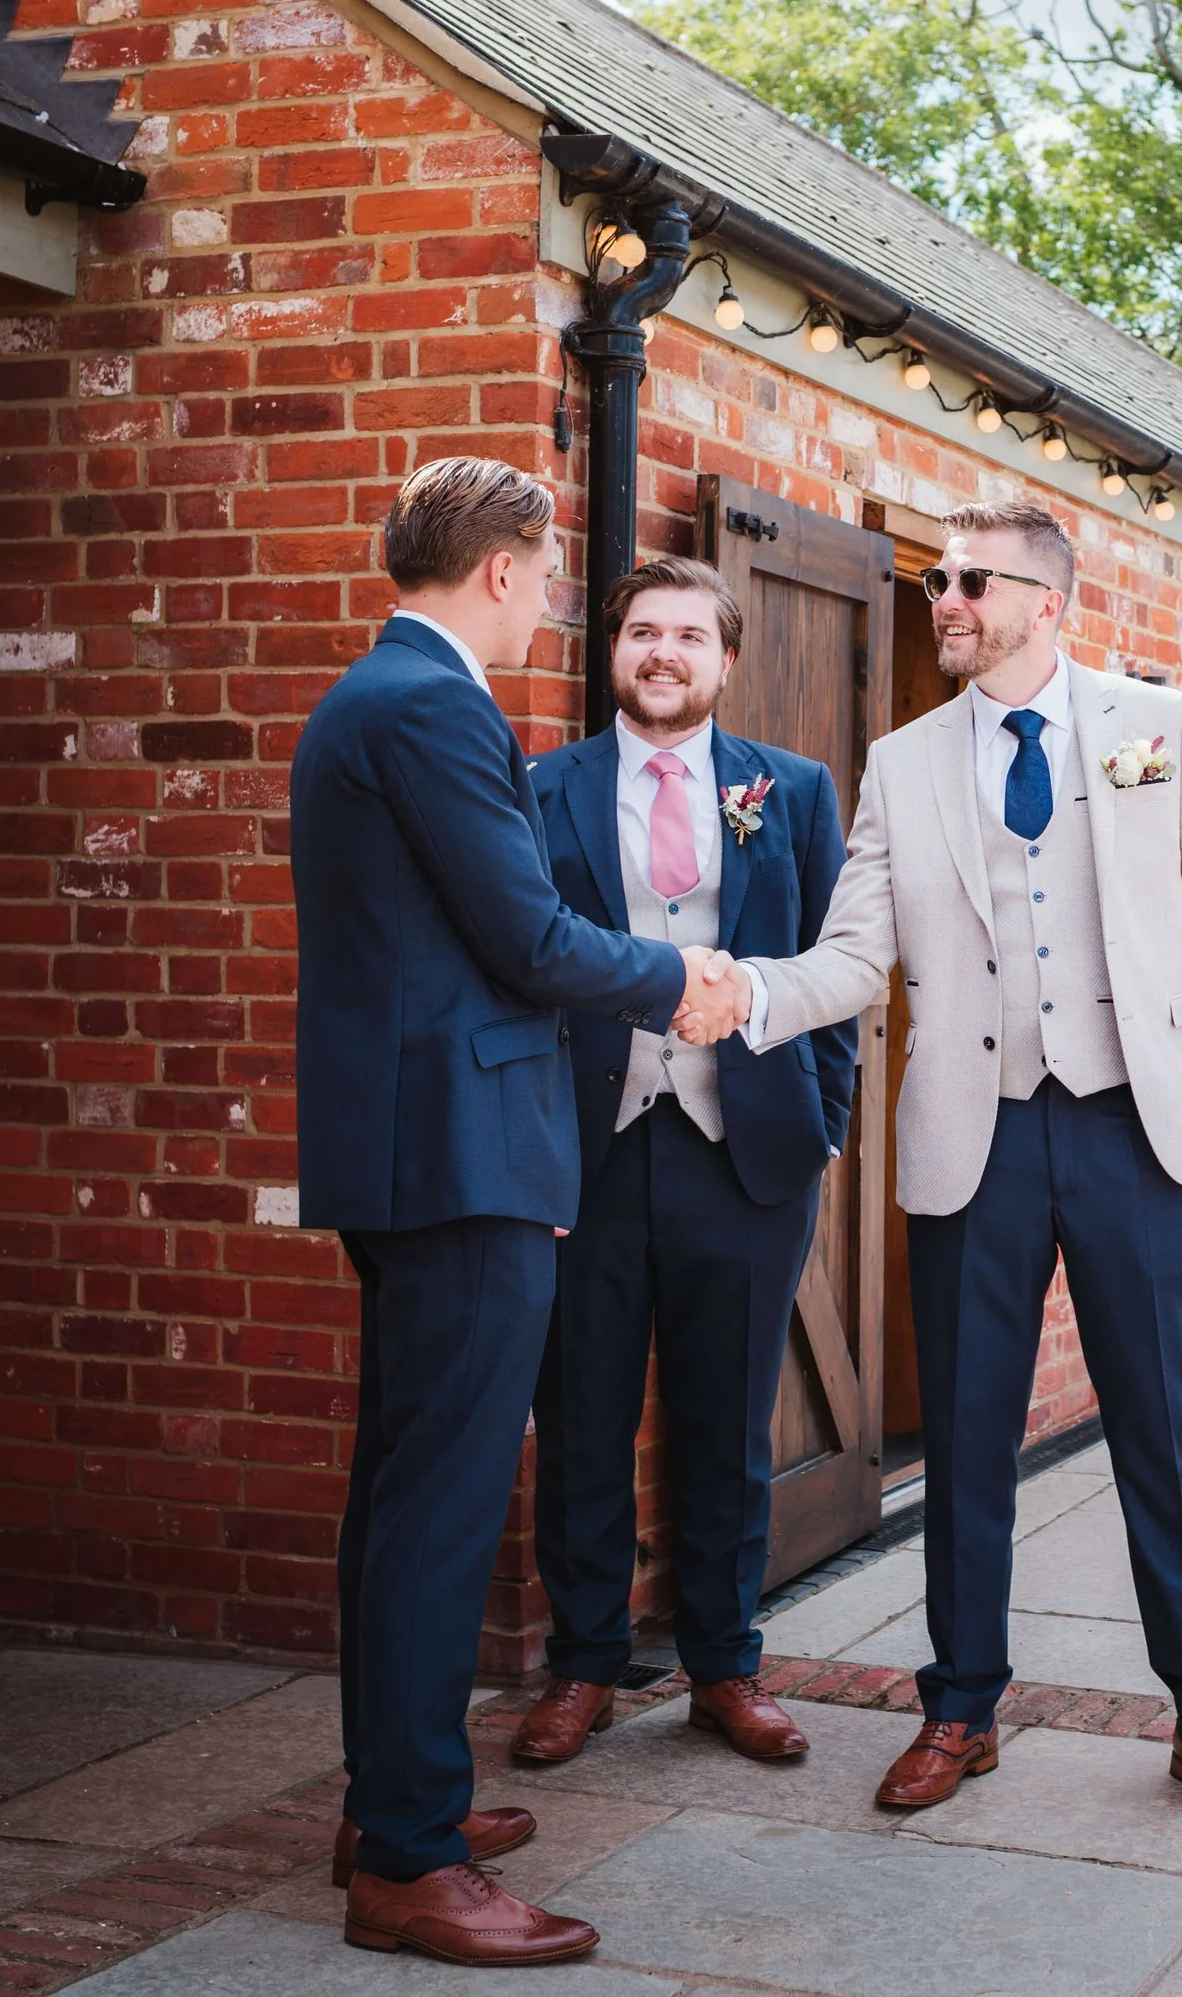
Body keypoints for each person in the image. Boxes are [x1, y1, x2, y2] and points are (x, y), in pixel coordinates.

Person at [680, 500, 1182, 1822]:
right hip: (980, 1133)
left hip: (1136, 1125)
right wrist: (751, 994)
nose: (943, 599)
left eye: (969, 580)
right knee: (964, 1435)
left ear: (1047, 599)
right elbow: (855, 951)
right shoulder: (903, 760)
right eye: (937, 579)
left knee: (1159, 1428)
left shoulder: (1153, 728)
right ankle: (960, 1705)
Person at [291, 458, 705, 1968]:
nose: (545, 603)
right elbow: (526, 937)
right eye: (542, 577)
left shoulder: (381, 696)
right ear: (504, 570)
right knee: (440, 1504)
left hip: (419, 1149)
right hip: (457, 1158)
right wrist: (683, 979)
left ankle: (390, 1801)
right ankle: (405, 1858)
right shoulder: (430, 704)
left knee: (404, 1498)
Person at [510, 557, 855, 1767]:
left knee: (727, 1424)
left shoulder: (794, 791)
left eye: (689, 636)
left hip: (747, 1153)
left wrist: (825, 1122)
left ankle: (725, 1666)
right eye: (642, 632)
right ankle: (585, 1669)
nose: (664, 653)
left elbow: (834, 970)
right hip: (585, 1158)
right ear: (612, 651)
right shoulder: (539, 787)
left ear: (727, 658)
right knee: (583, 1423)